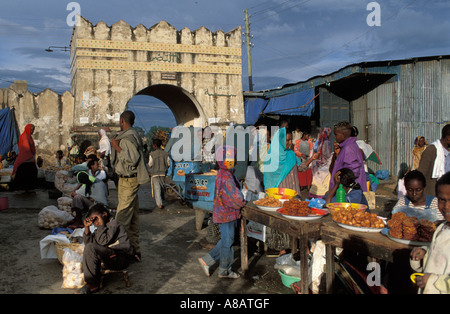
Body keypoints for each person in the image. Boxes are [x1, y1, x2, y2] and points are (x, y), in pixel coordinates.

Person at [198, 145, 246, 279]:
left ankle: (208, 261)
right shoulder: (226, 177)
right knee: (228, 241)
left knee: (227, 240)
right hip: (227, 214)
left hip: (223, 212)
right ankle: (224, 269)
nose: (235, 160)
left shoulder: (224, 173)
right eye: (232, 158)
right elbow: (236, 198)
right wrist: (243, 200)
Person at [110, 110, 150, 262]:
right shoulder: (132, 136)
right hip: (127, 181)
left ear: (122, 121)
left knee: (121, 217)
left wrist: (116, 147)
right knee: (132, 218)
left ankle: (121, 252)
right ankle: (135, 251)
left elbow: (132, 159)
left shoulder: (127, 138)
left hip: (128, 181)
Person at [77, 203, 134, 294]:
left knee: (91, 247)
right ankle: (91, 281)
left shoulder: (114, 224)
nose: (95, 222)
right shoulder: (101, 228)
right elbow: (89, 244)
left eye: (96, 218)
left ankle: (92, 284)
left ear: (104, 214)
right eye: (93, 220)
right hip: (111, 255)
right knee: (89, 247)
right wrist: (87, 228)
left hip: (121, 258)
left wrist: (100, 225)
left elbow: (103, 241)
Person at [410, 171, 450, 294]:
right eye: (442, 200)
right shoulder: (441, 228)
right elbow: (437, 260)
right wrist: (423, 254)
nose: (446, 206)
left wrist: (432, 281)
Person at [328, 121, 367, 193]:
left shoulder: (348, 148)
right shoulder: (348, 146)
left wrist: (341, 189)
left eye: (336, 134)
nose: (335, 137)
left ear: (343, 134)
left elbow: (353, 173)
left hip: (348, 193)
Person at [417, 124, 450, 196]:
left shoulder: (448, 153)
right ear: (448, 138)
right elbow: (420, 175)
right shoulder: (432, 150)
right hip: (431, 195)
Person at [12, 124, 37, 193]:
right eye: (31, 129)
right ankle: (28, 188)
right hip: (26, 158)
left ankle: (27, 188)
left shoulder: (28, 136)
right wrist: (31, 157)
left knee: (27, 173)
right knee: (30, 173)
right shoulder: (25, 136)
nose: (32, 131)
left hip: (26, 158)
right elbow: (26, 148)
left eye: (33, 130)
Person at [309, 127, 333, 199]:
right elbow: (327, 155)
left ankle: (314, 194)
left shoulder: (318, 142)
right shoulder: (326, 142)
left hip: (317, 165)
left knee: (316, 181)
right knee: (324, 182)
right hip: (324, 166)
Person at [148, 138, 170, 209]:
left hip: (155, 174)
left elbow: (150, 164)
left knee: (157, 189)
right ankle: (162, 199)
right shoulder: (165, 154)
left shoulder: (152, 154)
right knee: (162, 187)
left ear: (154, 145)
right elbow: (168, 163)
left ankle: (159, 204)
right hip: (163, 173)